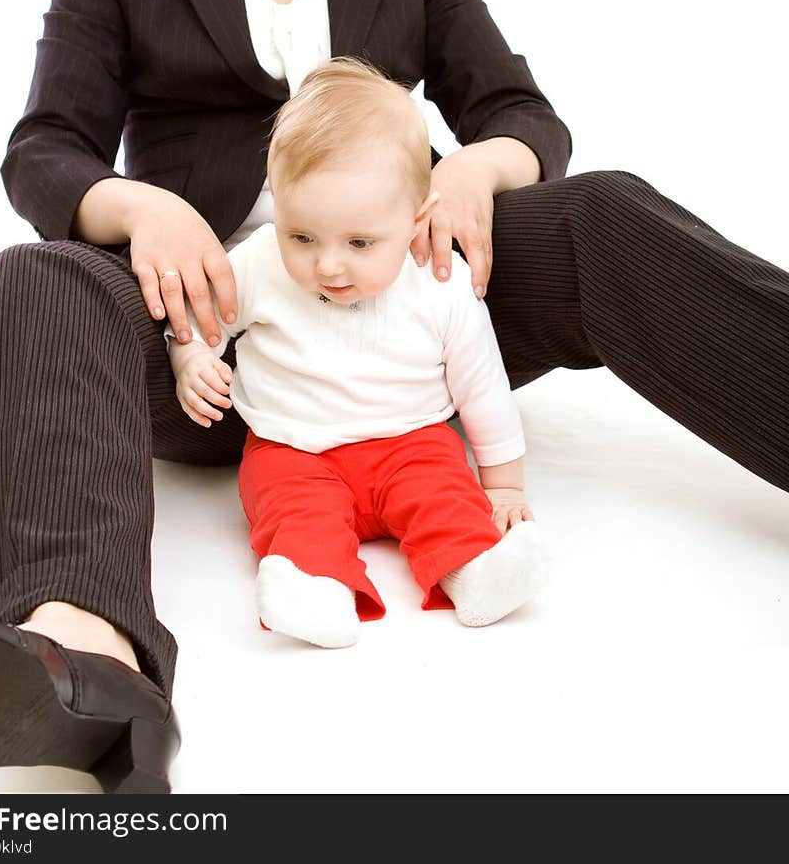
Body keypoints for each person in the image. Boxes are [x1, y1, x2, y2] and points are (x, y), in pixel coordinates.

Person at [0, 0, 786, 796]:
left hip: (403, 308)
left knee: (599, 211)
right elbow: (45, 147)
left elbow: (520, 110)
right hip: (216, 337)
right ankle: (83, 661)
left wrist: (482, 163)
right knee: (34, 278)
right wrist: (141, 206)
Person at [168, 58, 550, 648]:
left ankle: (476, 568)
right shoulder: (261, 261)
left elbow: (482, 387)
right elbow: (198, 316)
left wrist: (504, 487)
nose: (328, 265)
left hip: (411, 442)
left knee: (446, 492)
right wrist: (191, 360)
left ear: (417, 217)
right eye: (303, 236)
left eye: (359, 242)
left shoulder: (439, 278)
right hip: (293, 449)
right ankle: (311, 586)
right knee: (293, 513)